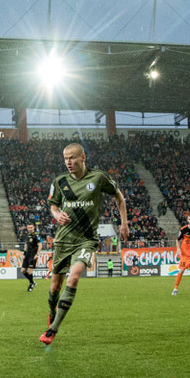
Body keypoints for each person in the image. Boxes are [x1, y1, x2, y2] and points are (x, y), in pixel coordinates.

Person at [40, 143, 129, 345]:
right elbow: (53, 205)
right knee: (55, 287)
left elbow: (119, 197)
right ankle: (51, 313)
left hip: (87, 239)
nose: (68, 162)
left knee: (74, 277)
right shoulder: (60, 181)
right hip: (64, 239)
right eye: (65, 158)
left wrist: (124, 223)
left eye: (72, 158)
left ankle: (52, 330)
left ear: (83, 158)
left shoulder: (98, 177)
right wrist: (56, 215)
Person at [20, 223, 41, 291]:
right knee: (23, 271)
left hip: (33, 255)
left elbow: (40, 245)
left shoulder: (36, 235)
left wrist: (37, 254)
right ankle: (32, 282)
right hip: (27, 255)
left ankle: (31, 285)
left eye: (31, 227)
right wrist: (24, 254)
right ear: (27, 228)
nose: (30, 229)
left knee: (29, 271)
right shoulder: (27, 235)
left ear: (33, 227)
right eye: (29, 227)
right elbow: (26, 245)